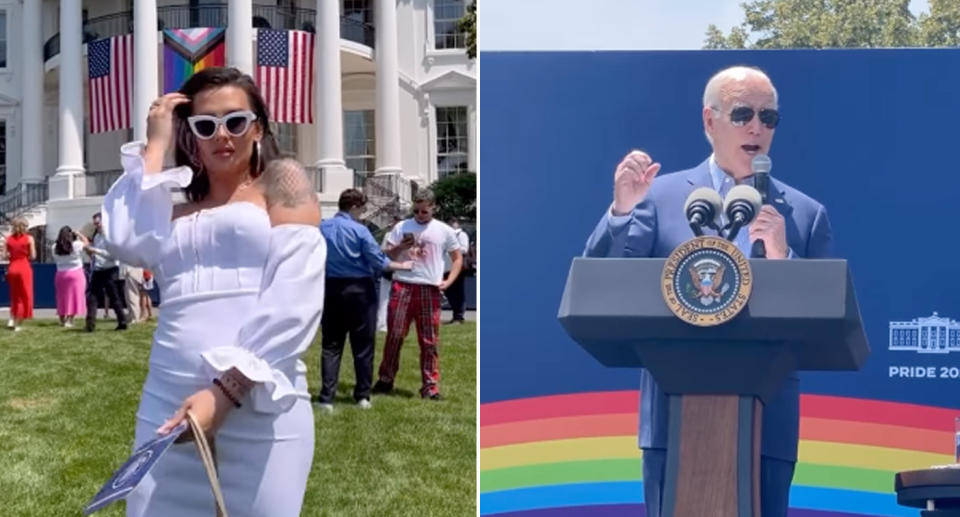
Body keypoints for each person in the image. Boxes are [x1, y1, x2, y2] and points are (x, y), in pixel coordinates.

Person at [583, 66, 833, 517]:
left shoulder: (804, 215)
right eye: (742, 114)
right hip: (672, 420)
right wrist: (622, 210)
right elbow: (604, 280)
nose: (757, 127)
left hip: (767, 423)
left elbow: (825, 322)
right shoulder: (656, 197)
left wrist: (784, 260)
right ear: (709, 121)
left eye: (768, 117)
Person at [102, 67, 325, 517]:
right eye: (205, 125)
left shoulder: (283, 182)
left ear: (258, 127)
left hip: (261, 405)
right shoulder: (173, 205)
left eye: (236, 121)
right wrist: (157, 145)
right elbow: (127, 242)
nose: (222, 134)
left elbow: (294, 297)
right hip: (166, 404)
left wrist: (226, 392)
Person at [317, 189, 411, 413]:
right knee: (363, 345)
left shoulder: (321, 228)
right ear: (355, 207)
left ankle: (326, 398)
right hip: (359, 289)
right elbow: (379, 262)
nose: (364, 214)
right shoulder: (360, 230)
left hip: (330, 287)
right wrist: (404, 265)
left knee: (331, 345)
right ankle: (362, 395)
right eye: (363, 209)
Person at [372, 190, 462, 400]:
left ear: (433, 207)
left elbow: (457, 258)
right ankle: (386, 379)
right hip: (403, 284)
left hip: (429, 287)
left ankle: (430, 386)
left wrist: (448, 281)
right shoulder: (401, 227)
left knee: (429, 341)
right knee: (394, 335)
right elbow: (384, 255)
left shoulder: (444, 230)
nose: (420, 215)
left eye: (424, 211)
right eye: (417, 211)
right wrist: (399, 248)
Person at [84, 212, 128, 331]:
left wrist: (96, 251)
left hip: (110, 269)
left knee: (114, 297)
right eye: (95, 224)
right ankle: (90, 324)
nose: (97, 226)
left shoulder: (111, 237)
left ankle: (122, 321)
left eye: (98, 223)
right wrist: (90, 251)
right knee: (92, 296)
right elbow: (95, 254)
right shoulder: (97, 237)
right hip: (98, 269)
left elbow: (112, 256)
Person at [52, 225, 90, 327]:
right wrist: (78, 234)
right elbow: (86, 243)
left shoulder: (55, 247)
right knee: (75, 297)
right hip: (75, 273)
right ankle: (69, 320)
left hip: (60, 274)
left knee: (62, 297)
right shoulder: (76, 245)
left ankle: (61, 319)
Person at [4, 218, 35, 331]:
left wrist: (11, 254)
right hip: (24, 267)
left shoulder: (8, 239)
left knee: (15, 295)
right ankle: (18, 323)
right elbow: (33, 256)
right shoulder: (29, 239)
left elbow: (4, 256)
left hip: (12, 267)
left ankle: (12, 318)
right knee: (25, 296)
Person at [376, 216, 403, 332]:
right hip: (389, 268)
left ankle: (399, 323)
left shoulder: (409, 235)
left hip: (402, 268)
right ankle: (382, 324)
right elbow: (383, 251)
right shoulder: (388, 235)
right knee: (384, 297)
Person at [443, 217, 470, 324]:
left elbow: (464, 249)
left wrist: (451, 247)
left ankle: (459, 317)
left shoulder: (461, 235)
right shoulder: (445, 236)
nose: (451, 224)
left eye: (453, 222)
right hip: (445, 268)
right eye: (449, 223)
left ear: (457, 224)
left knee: (458, 292)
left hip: (457, 268)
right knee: (449, 293)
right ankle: (455, 315)